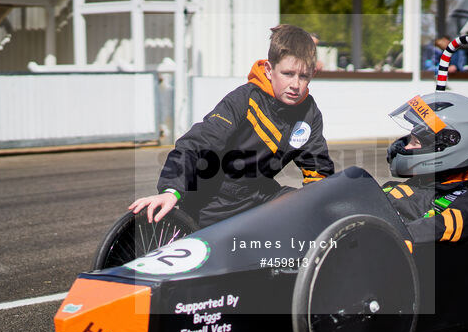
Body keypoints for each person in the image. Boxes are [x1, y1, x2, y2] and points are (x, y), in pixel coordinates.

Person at [130, 24, 335, 227]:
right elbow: (199, 143)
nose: (295, 84)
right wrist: (171, 191)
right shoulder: (244, 100)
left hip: (257, 197)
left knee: (318, 209)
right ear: (269, 70)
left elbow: (317, 167)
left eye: (303, 76)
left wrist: (320, 205)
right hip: (212, 200)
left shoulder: (309, 112)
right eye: (288, 74)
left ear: (312, 75)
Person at [382, 92, 468, 244]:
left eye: (415, 143)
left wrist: (391, 238)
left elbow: (437, 227)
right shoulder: (402, 188)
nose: (407, 146)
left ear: (446, 146)